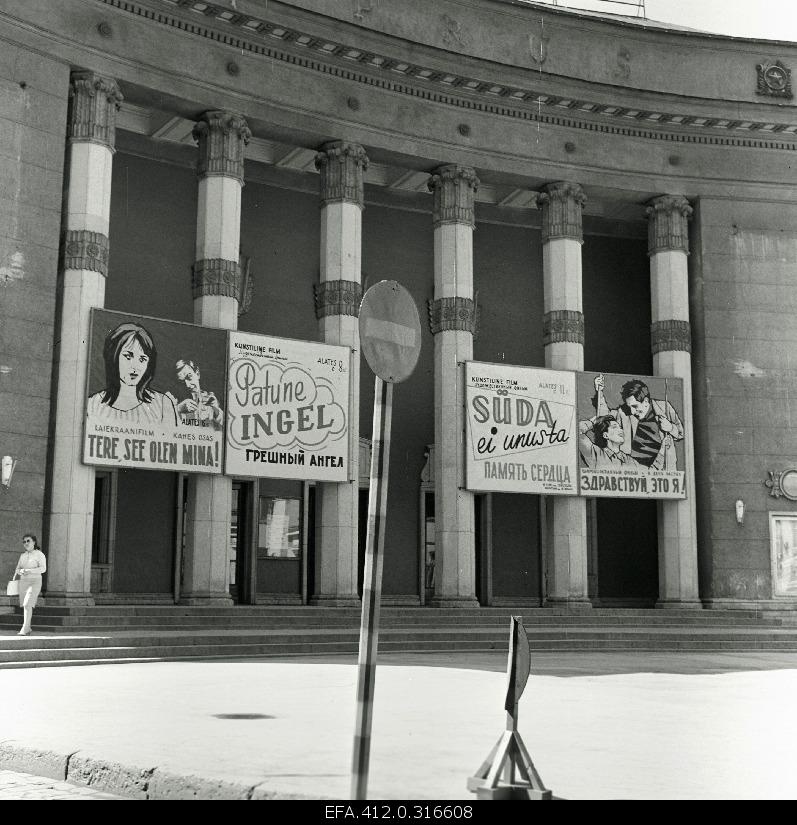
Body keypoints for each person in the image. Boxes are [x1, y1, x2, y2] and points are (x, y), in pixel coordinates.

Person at [87, 322, 179, 426]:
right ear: (114, 357)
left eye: (142, 359)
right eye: (128, 356)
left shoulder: (162, 404)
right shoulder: (92, 404)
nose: (135, 367)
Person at [591, 373, 682, 471]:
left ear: (646, 402)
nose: (632, 411)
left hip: (661, 468)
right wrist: (599, 392)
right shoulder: (624, 412)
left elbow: (681, 433)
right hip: (633, 469)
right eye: (630, 407)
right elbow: (604, 418)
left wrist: (671, 428)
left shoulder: (664, 407)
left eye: (635, 406)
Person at [175, 359, 224, 430]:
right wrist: (178, 409)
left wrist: (217, 411)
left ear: (197, 373)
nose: (188, 385)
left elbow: (228, 429)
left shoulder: (209, 398)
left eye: (189, 377)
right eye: (182, 382)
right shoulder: (174, 401)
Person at [14, 534, 46, 636]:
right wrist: (21, 571)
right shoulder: (22, 556)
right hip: (23, 582)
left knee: (28, 603)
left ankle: (24, 628)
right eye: (24, 542)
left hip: (35, 581)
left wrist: (29, 571)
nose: (26, 543)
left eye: (28, 541)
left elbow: (43, 569)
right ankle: (28, 627)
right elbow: (17, 569)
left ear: (34, 542)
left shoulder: (39, 554)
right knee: (26, 605)